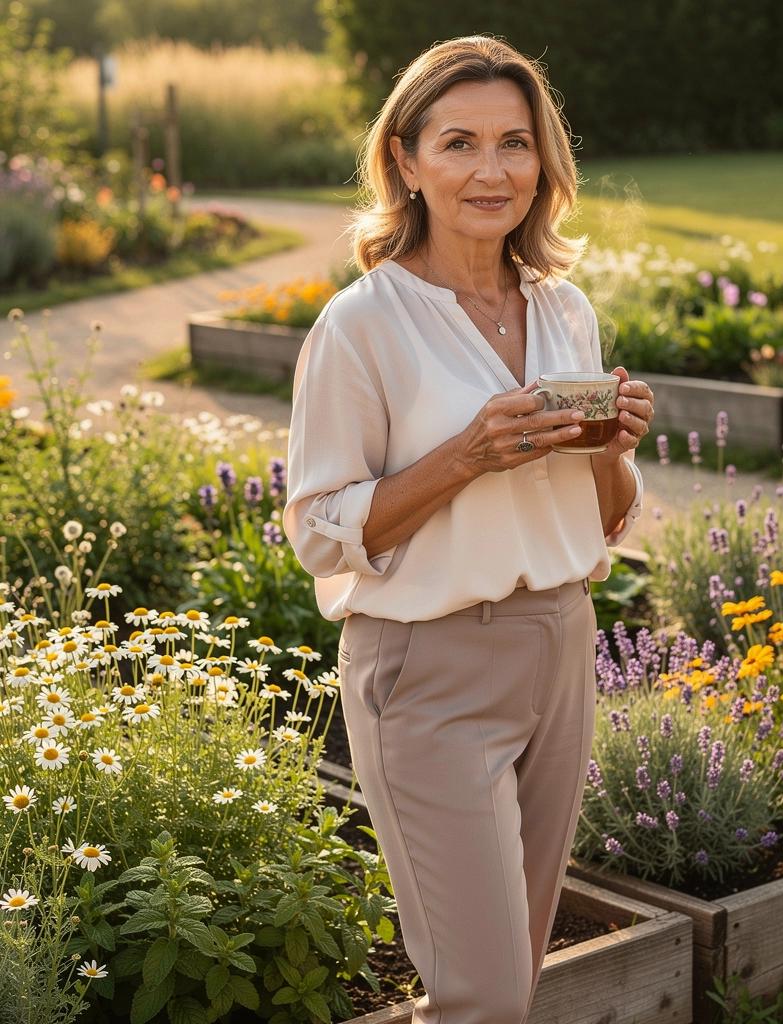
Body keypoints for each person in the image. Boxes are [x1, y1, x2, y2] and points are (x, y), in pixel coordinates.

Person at [282, 34, 654, 1024]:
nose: (491, 171)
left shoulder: (562, 308)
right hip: (426, 669)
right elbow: (317, 529)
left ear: (545, 162)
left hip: (559, 647)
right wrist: (465, 455)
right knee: (480, 992)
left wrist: (612, 446)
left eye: (514, 144)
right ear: (404, 159)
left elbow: (606, 514)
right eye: (458, 143)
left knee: (511, 981)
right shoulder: (361, 325)